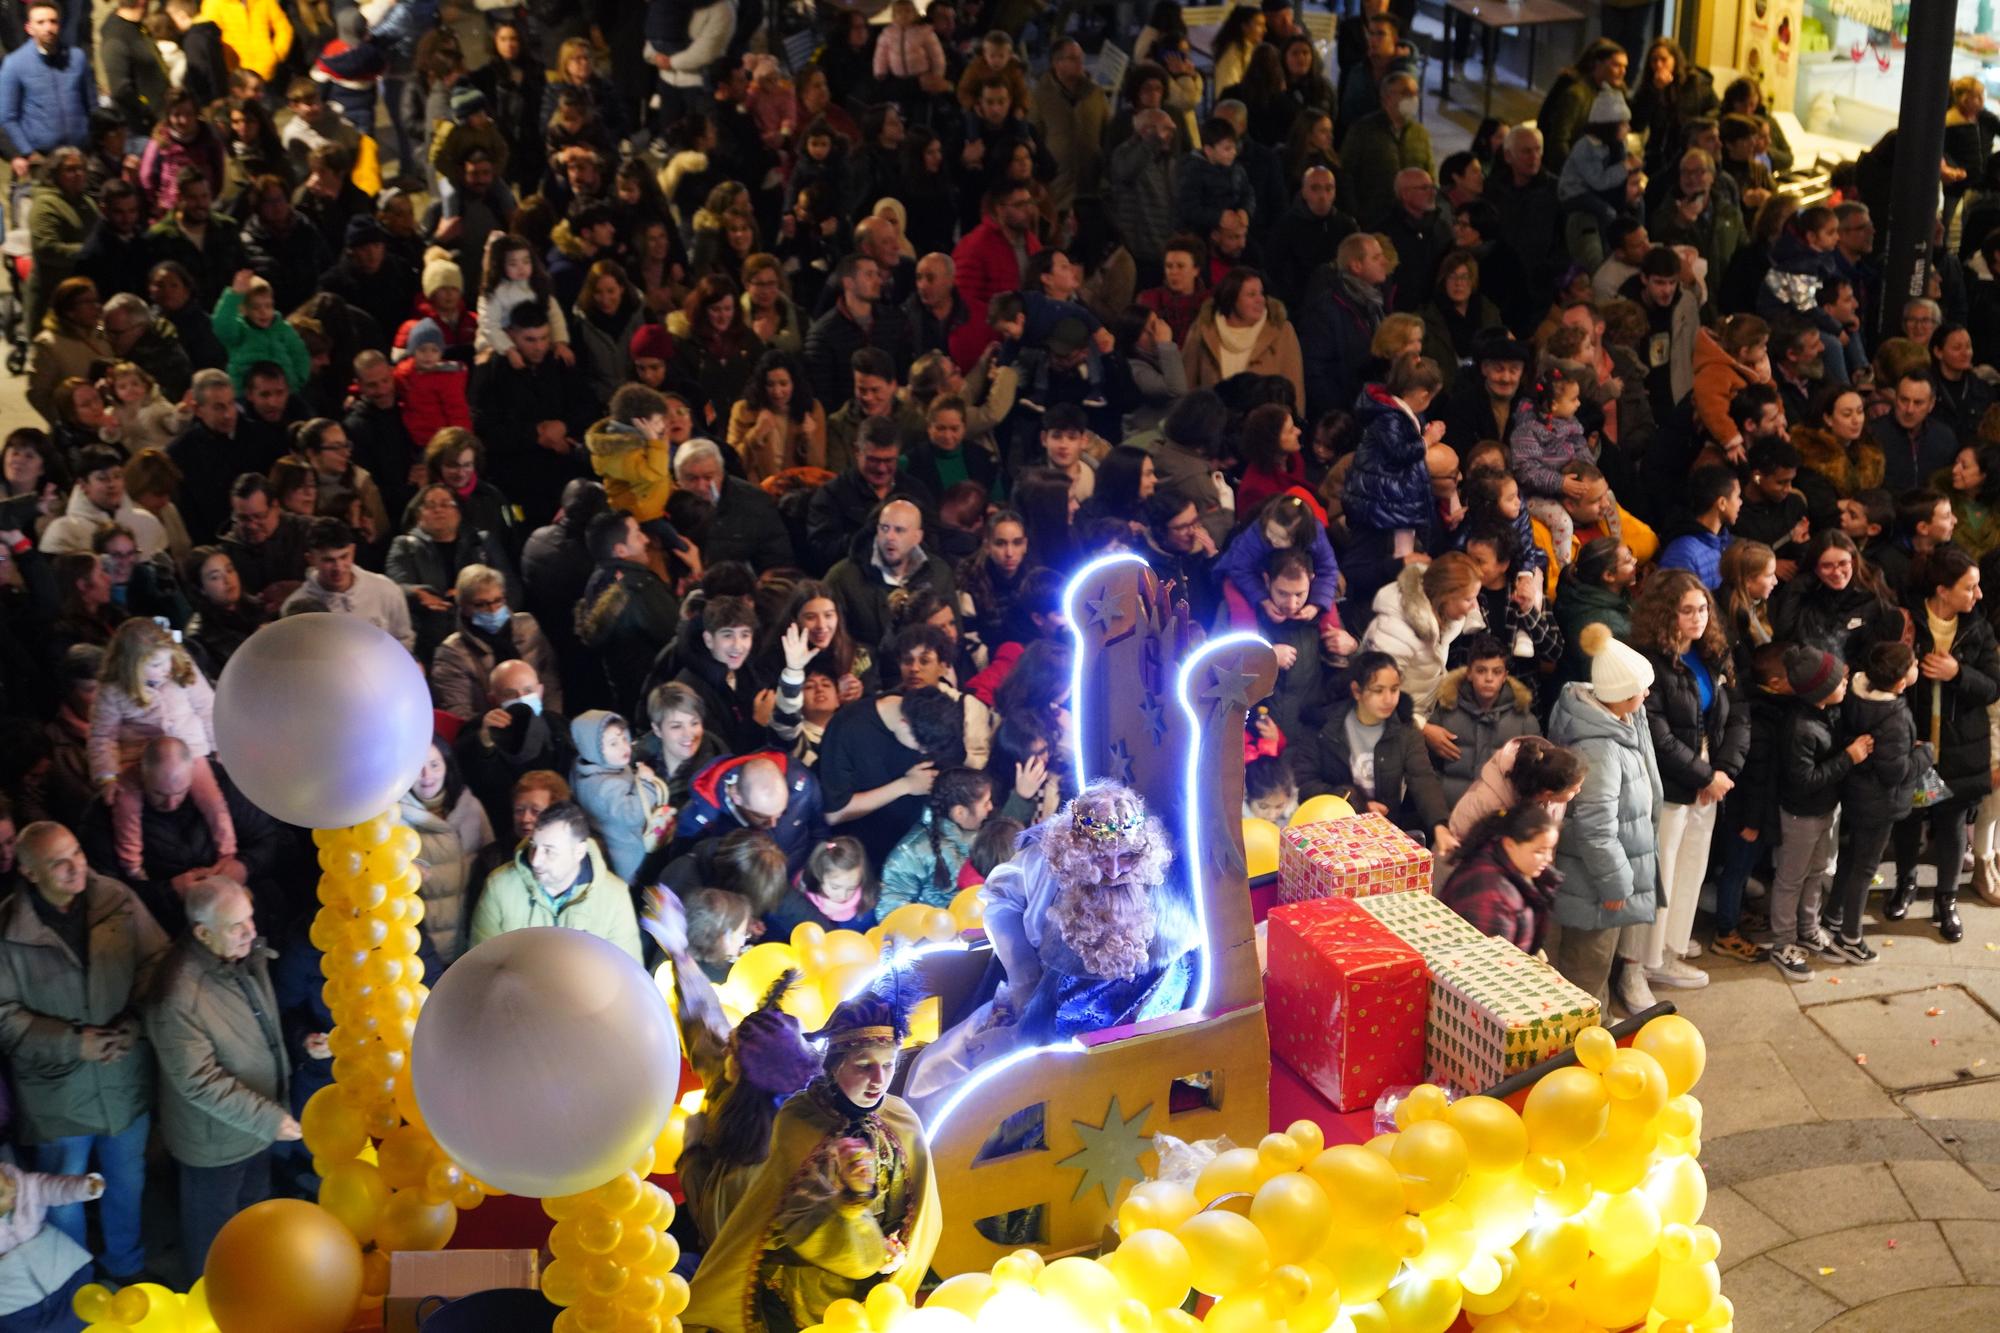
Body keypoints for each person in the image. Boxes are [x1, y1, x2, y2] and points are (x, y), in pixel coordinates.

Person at [909, 782, 1195, 1100]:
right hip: (1036, 1002)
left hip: (1116, 1042)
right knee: (947, 1076)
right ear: (1076, 854)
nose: (1114, 872)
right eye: (1100, 858)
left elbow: (1170, 983)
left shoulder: (1160, 895)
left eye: (1126, 856)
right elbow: (1001, 902)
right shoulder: (1041, 864)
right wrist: (1022, 975)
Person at [682, 993, 940, 1333]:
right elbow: (802, 1225)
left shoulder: (898, 1116)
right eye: (864, 1065)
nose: (879, 1079)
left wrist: (896, 1247)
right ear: (834, 1066)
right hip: (811, 1294)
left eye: (889, 1064)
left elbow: (924, 1209)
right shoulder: (800, 1120)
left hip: (880, 1290)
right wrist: (853, 1202)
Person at [0, 822, 169, 1288]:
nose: (78, 867)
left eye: (77, 852)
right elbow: (4, 1016)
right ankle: (77, 1283)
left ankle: (126, 1266)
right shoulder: (7, 930)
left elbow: (157, 961)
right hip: (58, 1091)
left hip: (122, 1075)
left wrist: (134, 1022)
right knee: (64, 1194)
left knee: (126, 1182)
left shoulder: (116, 898)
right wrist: (73, 1042)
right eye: (60, 862)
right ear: (30, 873)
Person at [146, 876, 295, 1284]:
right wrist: (268, 1119)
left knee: (253, 1215)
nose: (251, 931)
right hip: (215, 1143)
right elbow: (200, 1083)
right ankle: (211, 1306)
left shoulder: (239, 956)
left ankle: (250, 1286)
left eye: (249, 918)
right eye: (236, 926)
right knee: (211, 1240)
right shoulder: (177, 996)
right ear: (202, 932)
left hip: (255, 1125)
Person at [1623, 571, 1744, 1005]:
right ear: (1666, 613)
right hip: (1669, 783)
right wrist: (1704, 776)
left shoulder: (1711, 653)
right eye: (1687, 610)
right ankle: (1635, 967)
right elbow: (1655, 733)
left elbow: (1737, 715)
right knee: (1657, 875)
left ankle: (1668, 953)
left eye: (1703, 609)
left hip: (1710, 778)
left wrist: (1725, 769)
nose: (1698, 618)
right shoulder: (1648, 660)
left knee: (1691, 869)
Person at [1546, 628, 1661, 1009]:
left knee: (1591, 973)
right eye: (1641, 688)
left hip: (1593, 884)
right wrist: (1616, 886)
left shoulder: (1621, 721)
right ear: (1620, 695)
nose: (1646, 694)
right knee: (1585, 978)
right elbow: (1595, 830)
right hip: (1593, 890)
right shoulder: (1601, 750)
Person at [1889, 546, 1997, 943]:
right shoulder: (1906, 620)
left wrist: (1958, 673)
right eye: (1970, 587)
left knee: (1952, 823)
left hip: (1960, 745)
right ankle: (1905, 885)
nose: (1978, 595)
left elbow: (1992, 687)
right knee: (1908, 817)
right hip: (1912, 739)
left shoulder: (1979, 628)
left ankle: (1946, 900)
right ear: (1943, 590)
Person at [87, 617, 236, 886]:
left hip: (189, 751)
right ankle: (132, 864)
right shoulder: (112, 691)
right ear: (131, 665)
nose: (165, 668)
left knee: (213, 801)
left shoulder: (181, 671)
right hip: (137, 758)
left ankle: (227, 852)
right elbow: (102, 735)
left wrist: (218, 746)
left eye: (167, 660)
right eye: (156, 664)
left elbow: (206, 708)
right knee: (126, 806)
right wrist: (107, 775)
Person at [1291, 651, 1455, 852]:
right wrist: (1356, 804)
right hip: (1328, 835)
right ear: (1357, 691)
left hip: (1382, 835)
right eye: (1378, 691)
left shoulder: (1404, 729)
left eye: (1394, 690)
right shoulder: (1322, 727)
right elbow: (1305, 783)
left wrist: (1440, 825)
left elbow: (1422, 778)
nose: (1388, 699)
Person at [471, 799, 641, 961]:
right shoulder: (500, 886)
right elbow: (483, 966)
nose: (535, 860)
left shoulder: (615, 897)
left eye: (549, 851)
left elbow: (626, 977)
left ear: (579, 852)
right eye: (533, 846)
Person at [398, 737, 493, 964]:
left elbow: (491, 861)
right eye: (417, 767)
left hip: (468, 939)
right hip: (418, 948)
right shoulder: (392, 817)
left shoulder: (471, 807)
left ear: (447, 766)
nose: (426, 776)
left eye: (434, 765)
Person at [1438, 803, 1562, 955]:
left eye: (1550, 849)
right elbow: (1485, 964)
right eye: (1539, 851)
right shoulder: (1489, 897)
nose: (1548, 859)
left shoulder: (1519, 872)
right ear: (1509, 844)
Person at [282, 518, 416, 652]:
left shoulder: (386, 590)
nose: (338, 568)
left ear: (352, 551)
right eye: (328, 560)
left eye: (344, 557)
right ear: (310, 559)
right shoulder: (296, 607)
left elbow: (403, 639)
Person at [0, 5, 97, 175]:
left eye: (53, 22)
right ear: (29, 28)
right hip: (43, 158)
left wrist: (92, 141)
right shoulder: (14, 64)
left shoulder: (77, 58)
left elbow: (92, 105)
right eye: (41, 22)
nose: (48, 28)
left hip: (80, 153)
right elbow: (8, 117)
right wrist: (27, 152)